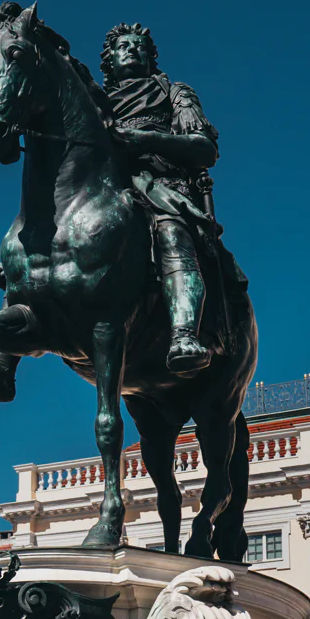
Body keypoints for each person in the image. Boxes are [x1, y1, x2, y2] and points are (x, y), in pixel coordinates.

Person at [99, 22, 225, 376]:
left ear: (150, 57)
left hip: (164, 189)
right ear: (109, 59)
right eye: (123, 46)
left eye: (139, 45)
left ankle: (185, 334)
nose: (131, 50)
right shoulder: (93, 102)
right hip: (108, 190)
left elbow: (205, 149)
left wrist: (147, 140)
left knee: (172, 234)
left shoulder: (174, 93)